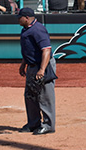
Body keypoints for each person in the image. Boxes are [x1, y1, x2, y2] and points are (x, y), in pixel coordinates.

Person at [17, 7, 57, 135]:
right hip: (32, 66)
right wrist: (23, 64)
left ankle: (48, 125)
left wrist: (42, 69)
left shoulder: (38, 29)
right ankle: (33, 123)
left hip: (43, 65)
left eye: (20, 17)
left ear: (27, 18)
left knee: (45, 96)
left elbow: (46, 49)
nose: (18, 20)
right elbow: (29, 49)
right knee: (30, 95)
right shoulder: (26, 29)